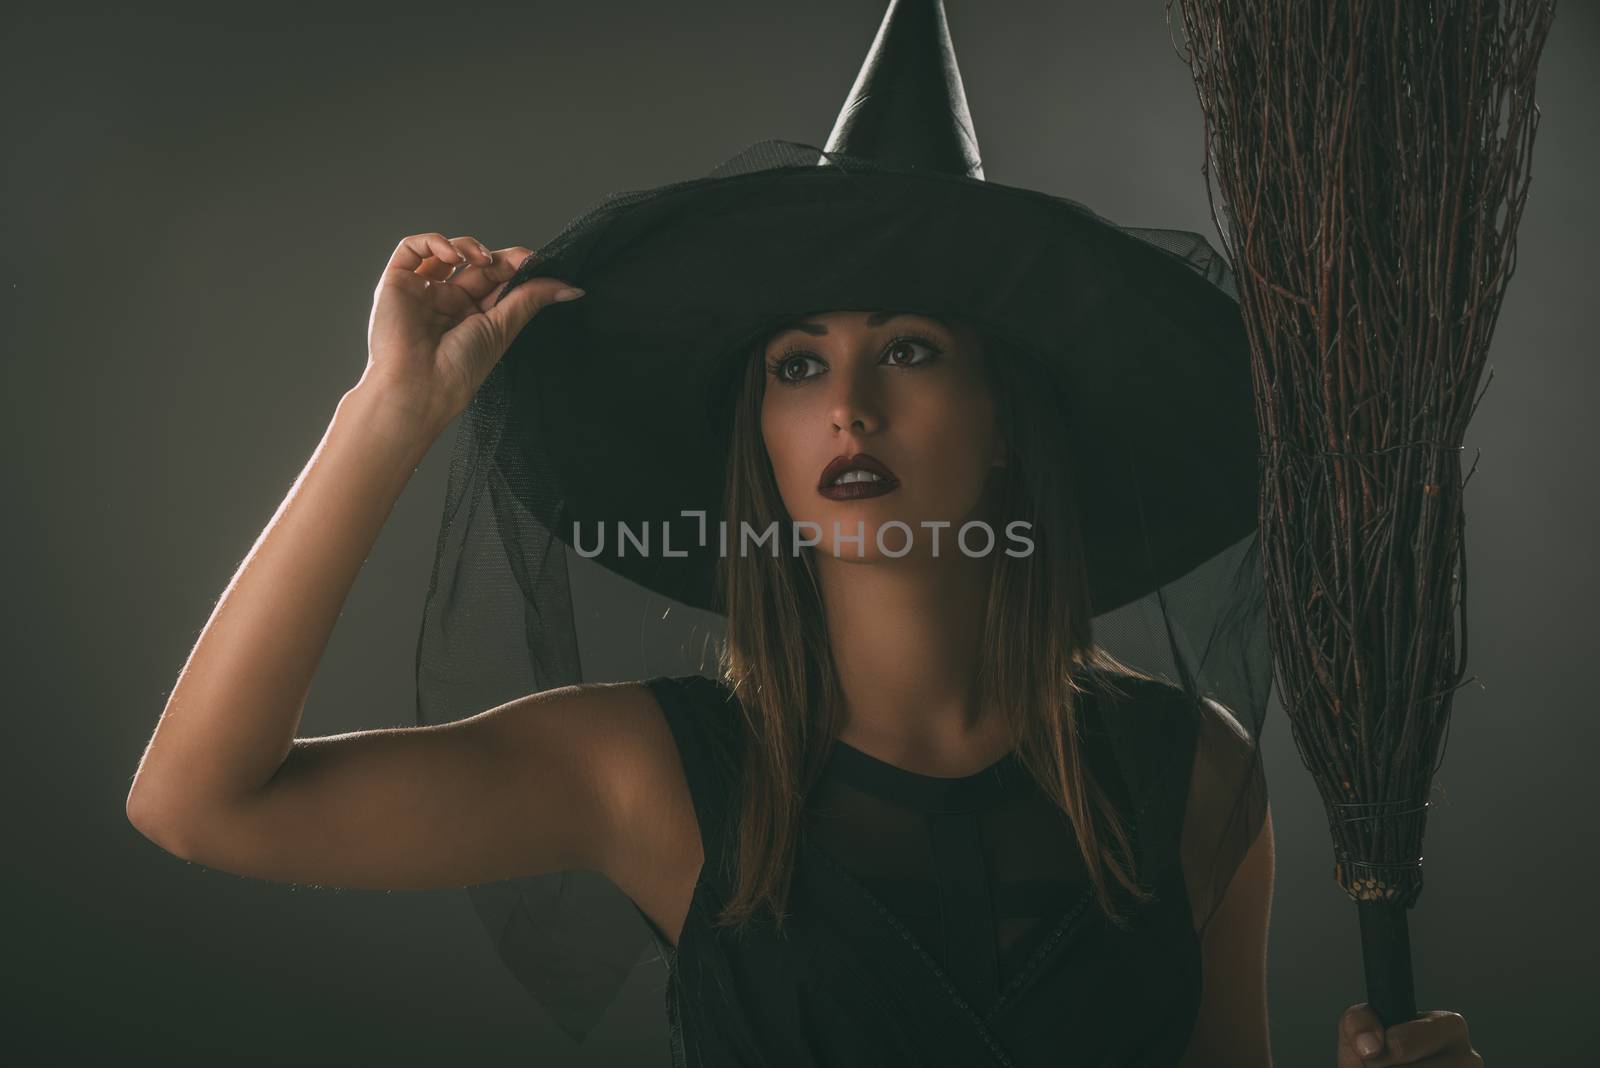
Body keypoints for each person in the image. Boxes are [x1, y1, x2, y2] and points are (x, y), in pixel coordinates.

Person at [126, 2, 1482, 1065]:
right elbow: (198, 803)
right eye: (795, 367)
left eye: (907, 348)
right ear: (761, 446)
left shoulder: (1194, 771)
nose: (847, 403)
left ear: (1002, 417)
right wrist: (390, 412)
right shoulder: (646, 773)